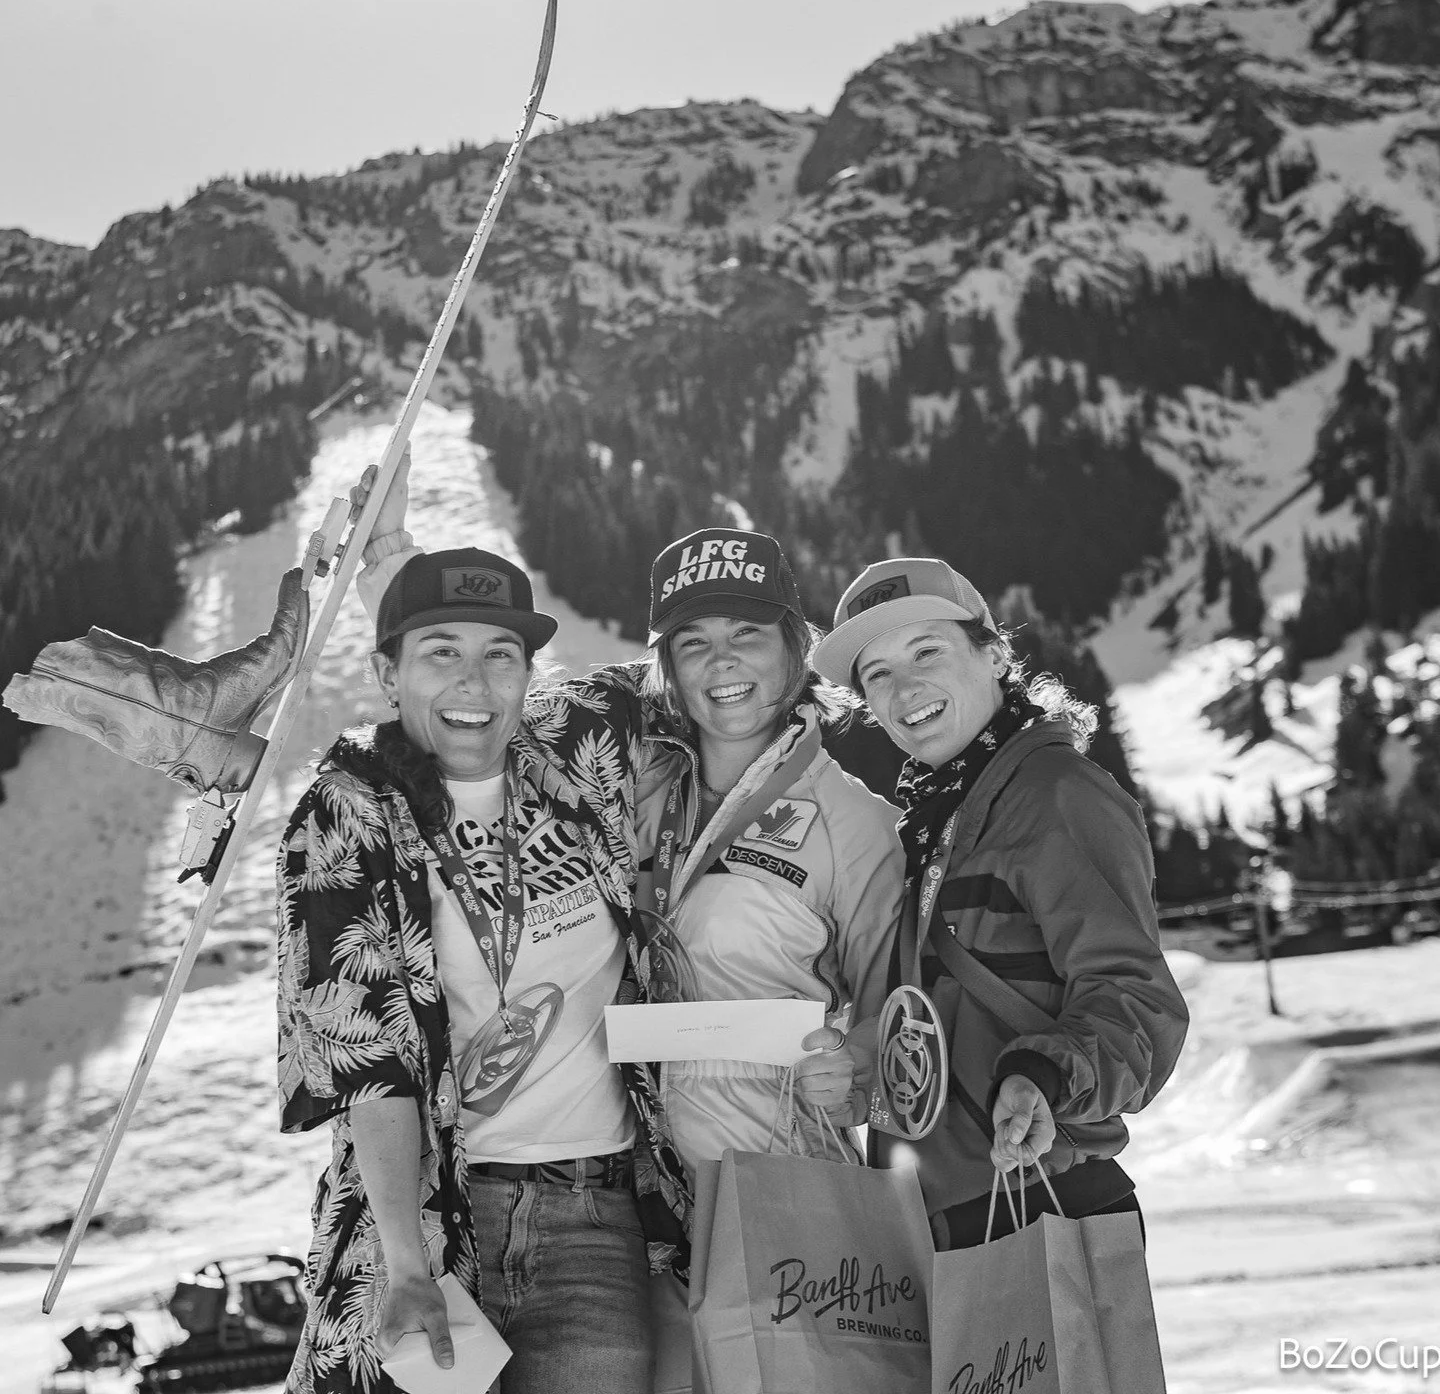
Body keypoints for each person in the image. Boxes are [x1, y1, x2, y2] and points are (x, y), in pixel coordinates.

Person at [355, 466, 906, 1392]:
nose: (723, 665)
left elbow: (895, 1021)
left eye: (748, 637)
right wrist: (393, 575)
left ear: (795, 647)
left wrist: (855, 1070)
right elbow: (467, 719)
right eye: (694, 643)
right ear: (666, 663)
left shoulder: (851, 820)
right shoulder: (626, 773)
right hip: (640, 1202)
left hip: (770, 1187)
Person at [277, 547, 680, 1394]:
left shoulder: (576, 752)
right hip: (433, 1215)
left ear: (529, 674)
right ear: (387, 673)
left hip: (595, 1217)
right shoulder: (347, 812)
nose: (473, 682)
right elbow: (366, 1062)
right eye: (440, 654)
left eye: (500, 655)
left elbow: (716, 670)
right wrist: (404, 1263)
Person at [813, 557, 1189, 1248]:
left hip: (1034, 1202)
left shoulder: (1055, 794)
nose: (906, 687)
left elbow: (1140, 1002)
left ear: (993, 654)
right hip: (927, 1215)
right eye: (878, 674)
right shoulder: (938, 817)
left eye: (927, 650)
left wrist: (1040, 1076)